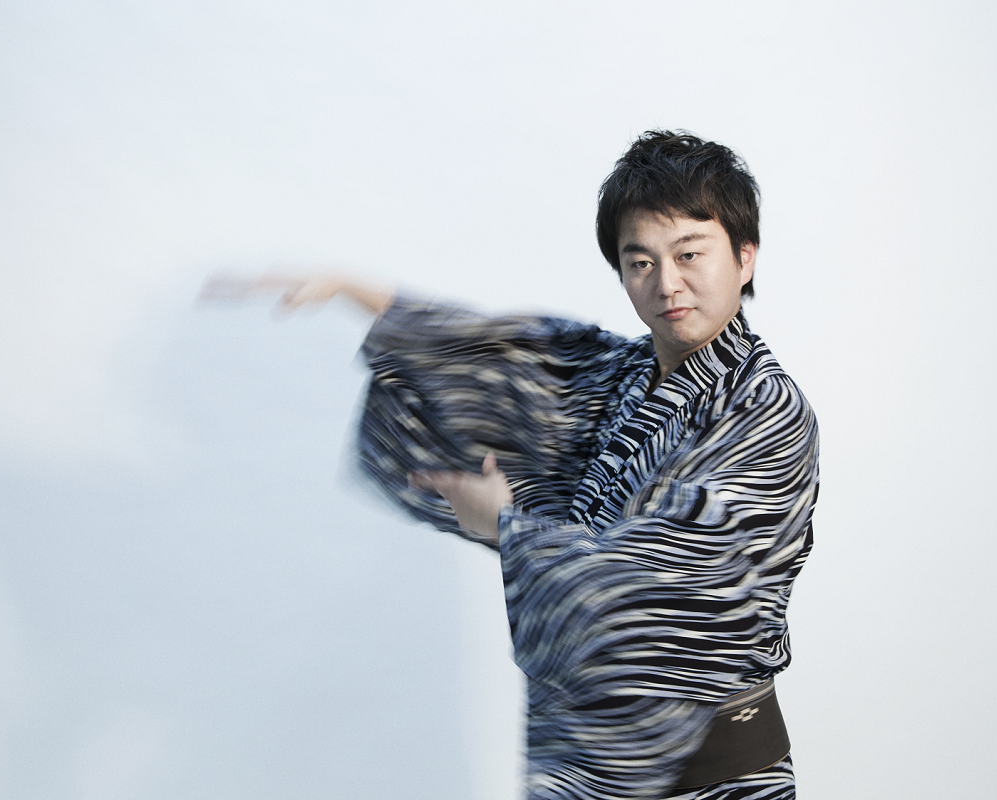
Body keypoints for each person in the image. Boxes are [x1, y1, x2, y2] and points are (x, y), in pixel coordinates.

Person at [206, 130, 818, 800]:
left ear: (745, 256)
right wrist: (354, 292)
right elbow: (514, 361)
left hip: (719, 777)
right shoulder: (621, 377)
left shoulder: (767, 411)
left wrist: (508, 526)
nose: (666, 282)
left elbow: (664, 581)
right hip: (592, 775)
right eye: (640, 261)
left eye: (689, 254)